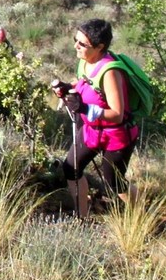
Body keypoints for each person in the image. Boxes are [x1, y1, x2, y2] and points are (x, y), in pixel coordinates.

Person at [51, 19, 138, 214]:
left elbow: (117, 114)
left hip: (116, 135)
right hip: (92, 129)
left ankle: (141, 212)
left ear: (99, 47)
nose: (76, 46)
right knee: (71, 169)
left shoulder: (111, 72)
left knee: (114, 183)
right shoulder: (85, 61)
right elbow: (85, 83)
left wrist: (84, 108)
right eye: (75, 40)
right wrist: (68, 87)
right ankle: (81, 218)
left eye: (82, 44)